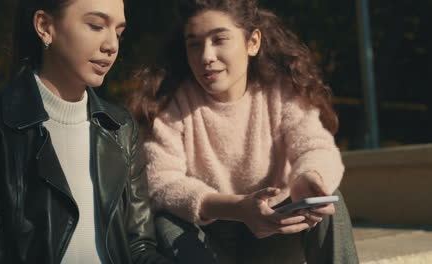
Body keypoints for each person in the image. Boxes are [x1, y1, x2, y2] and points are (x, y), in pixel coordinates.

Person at [128, 0, 359, 263]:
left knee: (330, 202)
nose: (206, 56)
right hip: (210, 244)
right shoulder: (169, 104)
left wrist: (308, 178)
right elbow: (161, 182)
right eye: (194, 43)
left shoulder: (281, 92)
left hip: (276, 230)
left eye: (219, 39)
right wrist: (238, 208)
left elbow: (316, 146)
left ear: (253, 42)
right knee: (165, 223)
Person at [0, 0, 172, 263]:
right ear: (45, 26)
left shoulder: (120, 125)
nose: (111, 45)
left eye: (118, 32)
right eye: (96, 26)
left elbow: (139, 247)